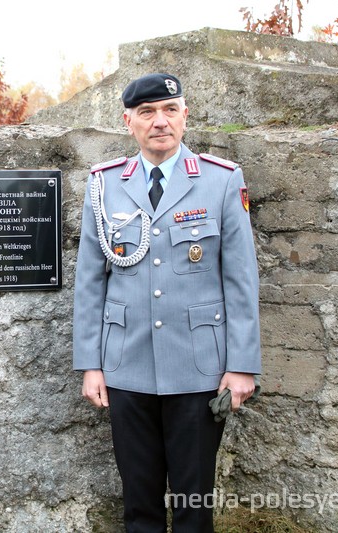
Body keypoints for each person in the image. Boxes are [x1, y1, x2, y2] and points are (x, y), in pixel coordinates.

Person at [73, 73, 261, 532]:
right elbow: (89, 282)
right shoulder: (105, 185)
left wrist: (242, 365)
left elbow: (240, 280)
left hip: (199, 368)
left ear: (185, 115)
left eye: (170, 110)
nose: (160, 121)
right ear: (128, 121)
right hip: (126, 365)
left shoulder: (220, 180)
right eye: (147, 112)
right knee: (140, 504)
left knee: (195, 506)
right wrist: (91, 365)